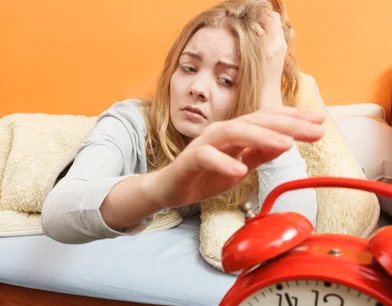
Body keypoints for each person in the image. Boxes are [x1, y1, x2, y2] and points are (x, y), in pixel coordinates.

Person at [41, 0, 324, 245]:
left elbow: (293, 229)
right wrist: (161, 188)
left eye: (227, 80)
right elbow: (57, 213)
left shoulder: (252, 152)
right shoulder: (131, 123)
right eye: (188, 68)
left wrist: (270, 103)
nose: (198, 87)